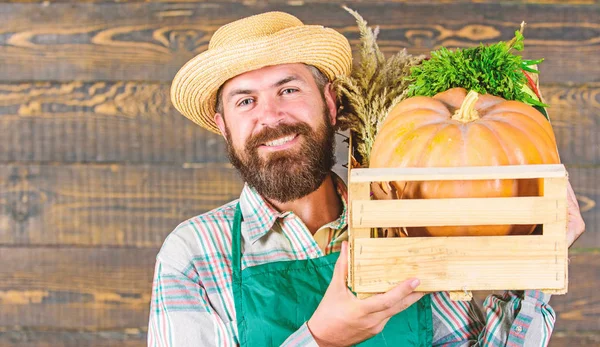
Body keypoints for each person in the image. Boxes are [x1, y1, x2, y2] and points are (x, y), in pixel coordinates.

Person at [148, 11, 585, 347]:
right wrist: (321, 337)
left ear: (331, 104)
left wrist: (534, 262)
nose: (271, 117)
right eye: (246, 101)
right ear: (224, 126)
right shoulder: (194, 255)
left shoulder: (403, 222)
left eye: (289, 89)